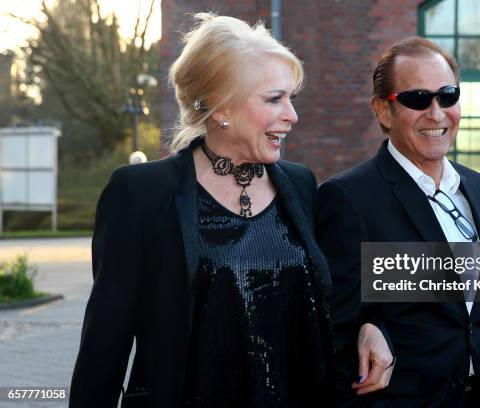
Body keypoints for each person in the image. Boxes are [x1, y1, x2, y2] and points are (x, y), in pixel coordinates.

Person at [70, 14, 334, 408]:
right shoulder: (141, 193)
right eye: (274, 99)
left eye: (290, 99)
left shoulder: (300, 184)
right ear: (221, 107)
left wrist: (373, 328)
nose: (292, 116)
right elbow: (105, 341)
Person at [315, 37, 480, 407]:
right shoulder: (349, 198)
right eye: (416, 98)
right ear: (383, 111)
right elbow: (336, 328)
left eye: (447, 95)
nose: (437, 112)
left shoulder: (478, 187)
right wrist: (370, 326)